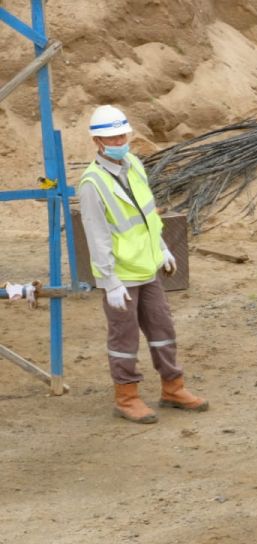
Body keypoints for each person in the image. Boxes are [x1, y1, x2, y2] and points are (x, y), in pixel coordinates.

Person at [78, 105, 207, 423]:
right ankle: (127, 397)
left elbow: (147, 215)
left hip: (147, 267)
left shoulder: (134, 164)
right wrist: (109, 281)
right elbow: (97, 237)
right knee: (124, 338)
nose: (120, 140)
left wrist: (162, 248)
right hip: (121, 275)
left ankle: (172, 388)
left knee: (162, 328)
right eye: (113, 137)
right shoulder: (92, 184)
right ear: (98, 142)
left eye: (123, 134)